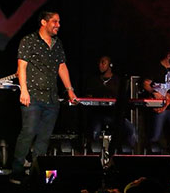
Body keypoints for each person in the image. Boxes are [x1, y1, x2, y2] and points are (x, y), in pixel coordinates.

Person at [10, 11, 78, 183]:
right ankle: (16, 171)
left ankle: (36, 173)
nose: (58, 25)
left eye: (59, 22)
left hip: (51, 98)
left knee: (44, 137)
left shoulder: (57, 43)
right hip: (32, 95)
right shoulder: (29, 41)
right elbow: (22, 67)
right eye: (55, 21)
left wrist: (69, 89)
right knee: (28, 133)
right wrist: (23, 91)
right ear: (43, 22)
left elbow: (62, 67)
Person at [84, 55, 137, 151]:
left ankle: (127, 154)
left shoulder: (118, 81)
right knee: (95, 132)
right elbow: (88, 97)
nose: (100, 65)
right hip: (99, 114)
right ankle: (94, 154)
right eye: (99, 63)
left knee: (131, 130)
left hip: (114, 115)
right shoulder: (94, 80)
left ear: (110, 65)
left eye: (103, 63)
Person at [142, 47, 170, 152]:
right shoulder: (155, 68)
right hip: (160, 106)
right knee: (155, 136)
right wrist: (154, 92)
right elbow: (146, 84)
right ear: (169, 56)